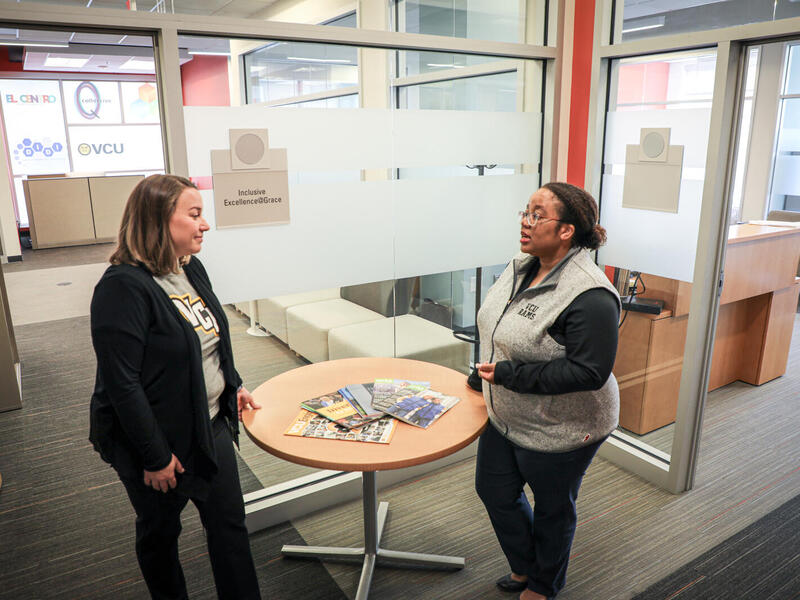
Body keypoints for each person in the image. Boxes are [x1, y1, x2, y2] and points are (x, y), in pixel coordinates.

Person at [89, 174, 262, 600]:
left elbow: (212, 338)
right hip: (153, 443)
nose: (205, 225)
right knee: (160, 533)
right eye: (195, 214)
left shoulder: (190, 269)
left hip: (208, 426)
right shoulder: (122, 288)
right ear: (158, 220)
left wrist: (231, 386)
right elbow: (121, 383)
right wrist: (155, 456)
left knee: (230, 525)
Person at [472, 182, 621, 600]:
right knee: (495, 491)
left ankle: (543, 584)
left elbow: (589, 371)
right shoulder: (520, 266)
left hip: (566, 427)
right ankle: (525, 564)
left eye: (538, 214)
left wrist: (507, 375)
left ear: (566, 231)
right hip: (507, 412)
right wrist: (483, 374)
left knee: (553, 511)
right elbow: (500, 327)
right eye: (525, 211)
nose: (525, 220)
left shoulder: (589, 294)